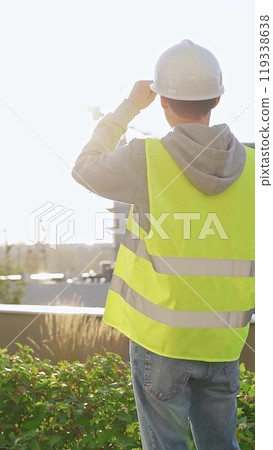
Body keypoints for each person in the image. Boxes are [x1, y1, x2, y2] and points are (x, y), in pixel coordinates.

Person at [72, 40, 254, 450]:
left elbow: (84, 169)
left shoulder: (146, 159)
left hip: (162, 344)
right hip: (224, 343)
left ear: (162, 103)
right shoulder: (256, 167)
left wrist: (128, 107)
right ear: (218, 98)